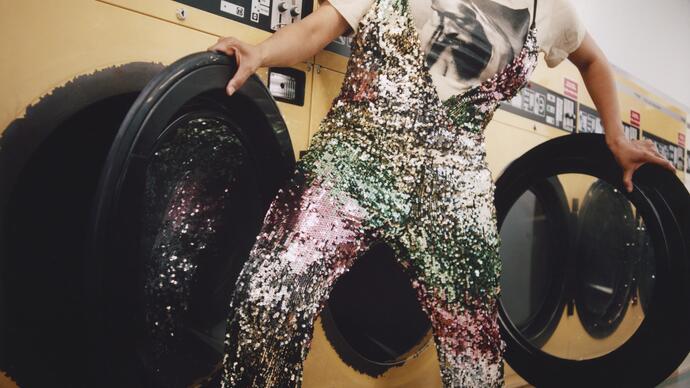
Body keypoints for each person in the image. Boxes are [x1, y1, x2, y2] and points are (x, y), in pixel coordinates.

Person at [208, 0, 676, 387]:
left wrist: (615, 137)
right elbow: (319, 28)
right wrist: (260, 52)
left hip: (454, 186)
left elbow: (591, 60)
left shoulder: (549, 8)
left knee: (474, 349)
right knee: (269, 298)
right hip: (356, 158)